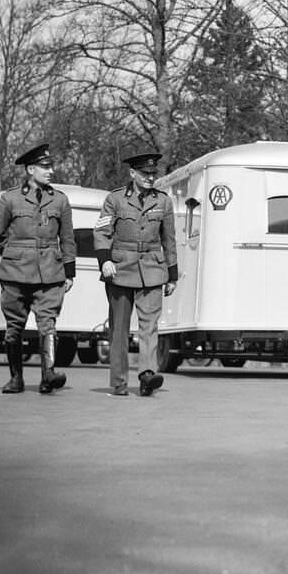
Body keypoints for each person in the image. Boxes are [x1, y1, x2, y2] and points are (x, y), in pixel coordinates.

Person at [0, 144, 77, 395]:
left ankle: (48, 374)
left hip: (50, 272)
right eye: (45, 167)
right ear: (30, 169)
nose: (51, 171)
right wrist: (16, 251)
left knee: (48, 323)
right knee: (14, 326)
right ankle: (16, 378)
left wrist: (69, 272)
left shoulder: (59, 199)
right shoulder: (10, 198)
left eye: (51, 166)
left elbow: (68, 239)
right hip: (15, 273)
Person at [93, 150, 178, 397]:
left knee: (149, 326)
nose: (150, 178)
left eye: (153, 173)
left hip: (152, 268)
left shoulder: (163, 201)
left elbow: (169, 240)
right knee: (119, 329)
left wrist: (172, 275)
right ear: (133, 174)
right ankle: (119, 382)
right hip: (120, 269)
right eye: (145, 173)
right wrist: (104, 261)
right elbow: (101, 232)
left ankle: (147, 375)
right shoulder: (115, 199)